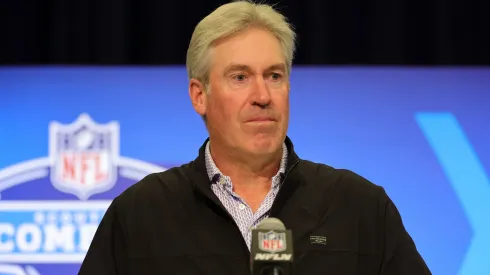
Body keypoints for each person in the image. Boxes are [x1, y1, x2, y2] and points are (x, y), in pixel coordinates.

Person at [78, 1, 431, 274]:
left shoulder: (360, 208)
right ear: (199, 96)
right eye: (240, 77)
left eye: (274, 76)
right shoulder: (141, 215)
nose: (263, 95)